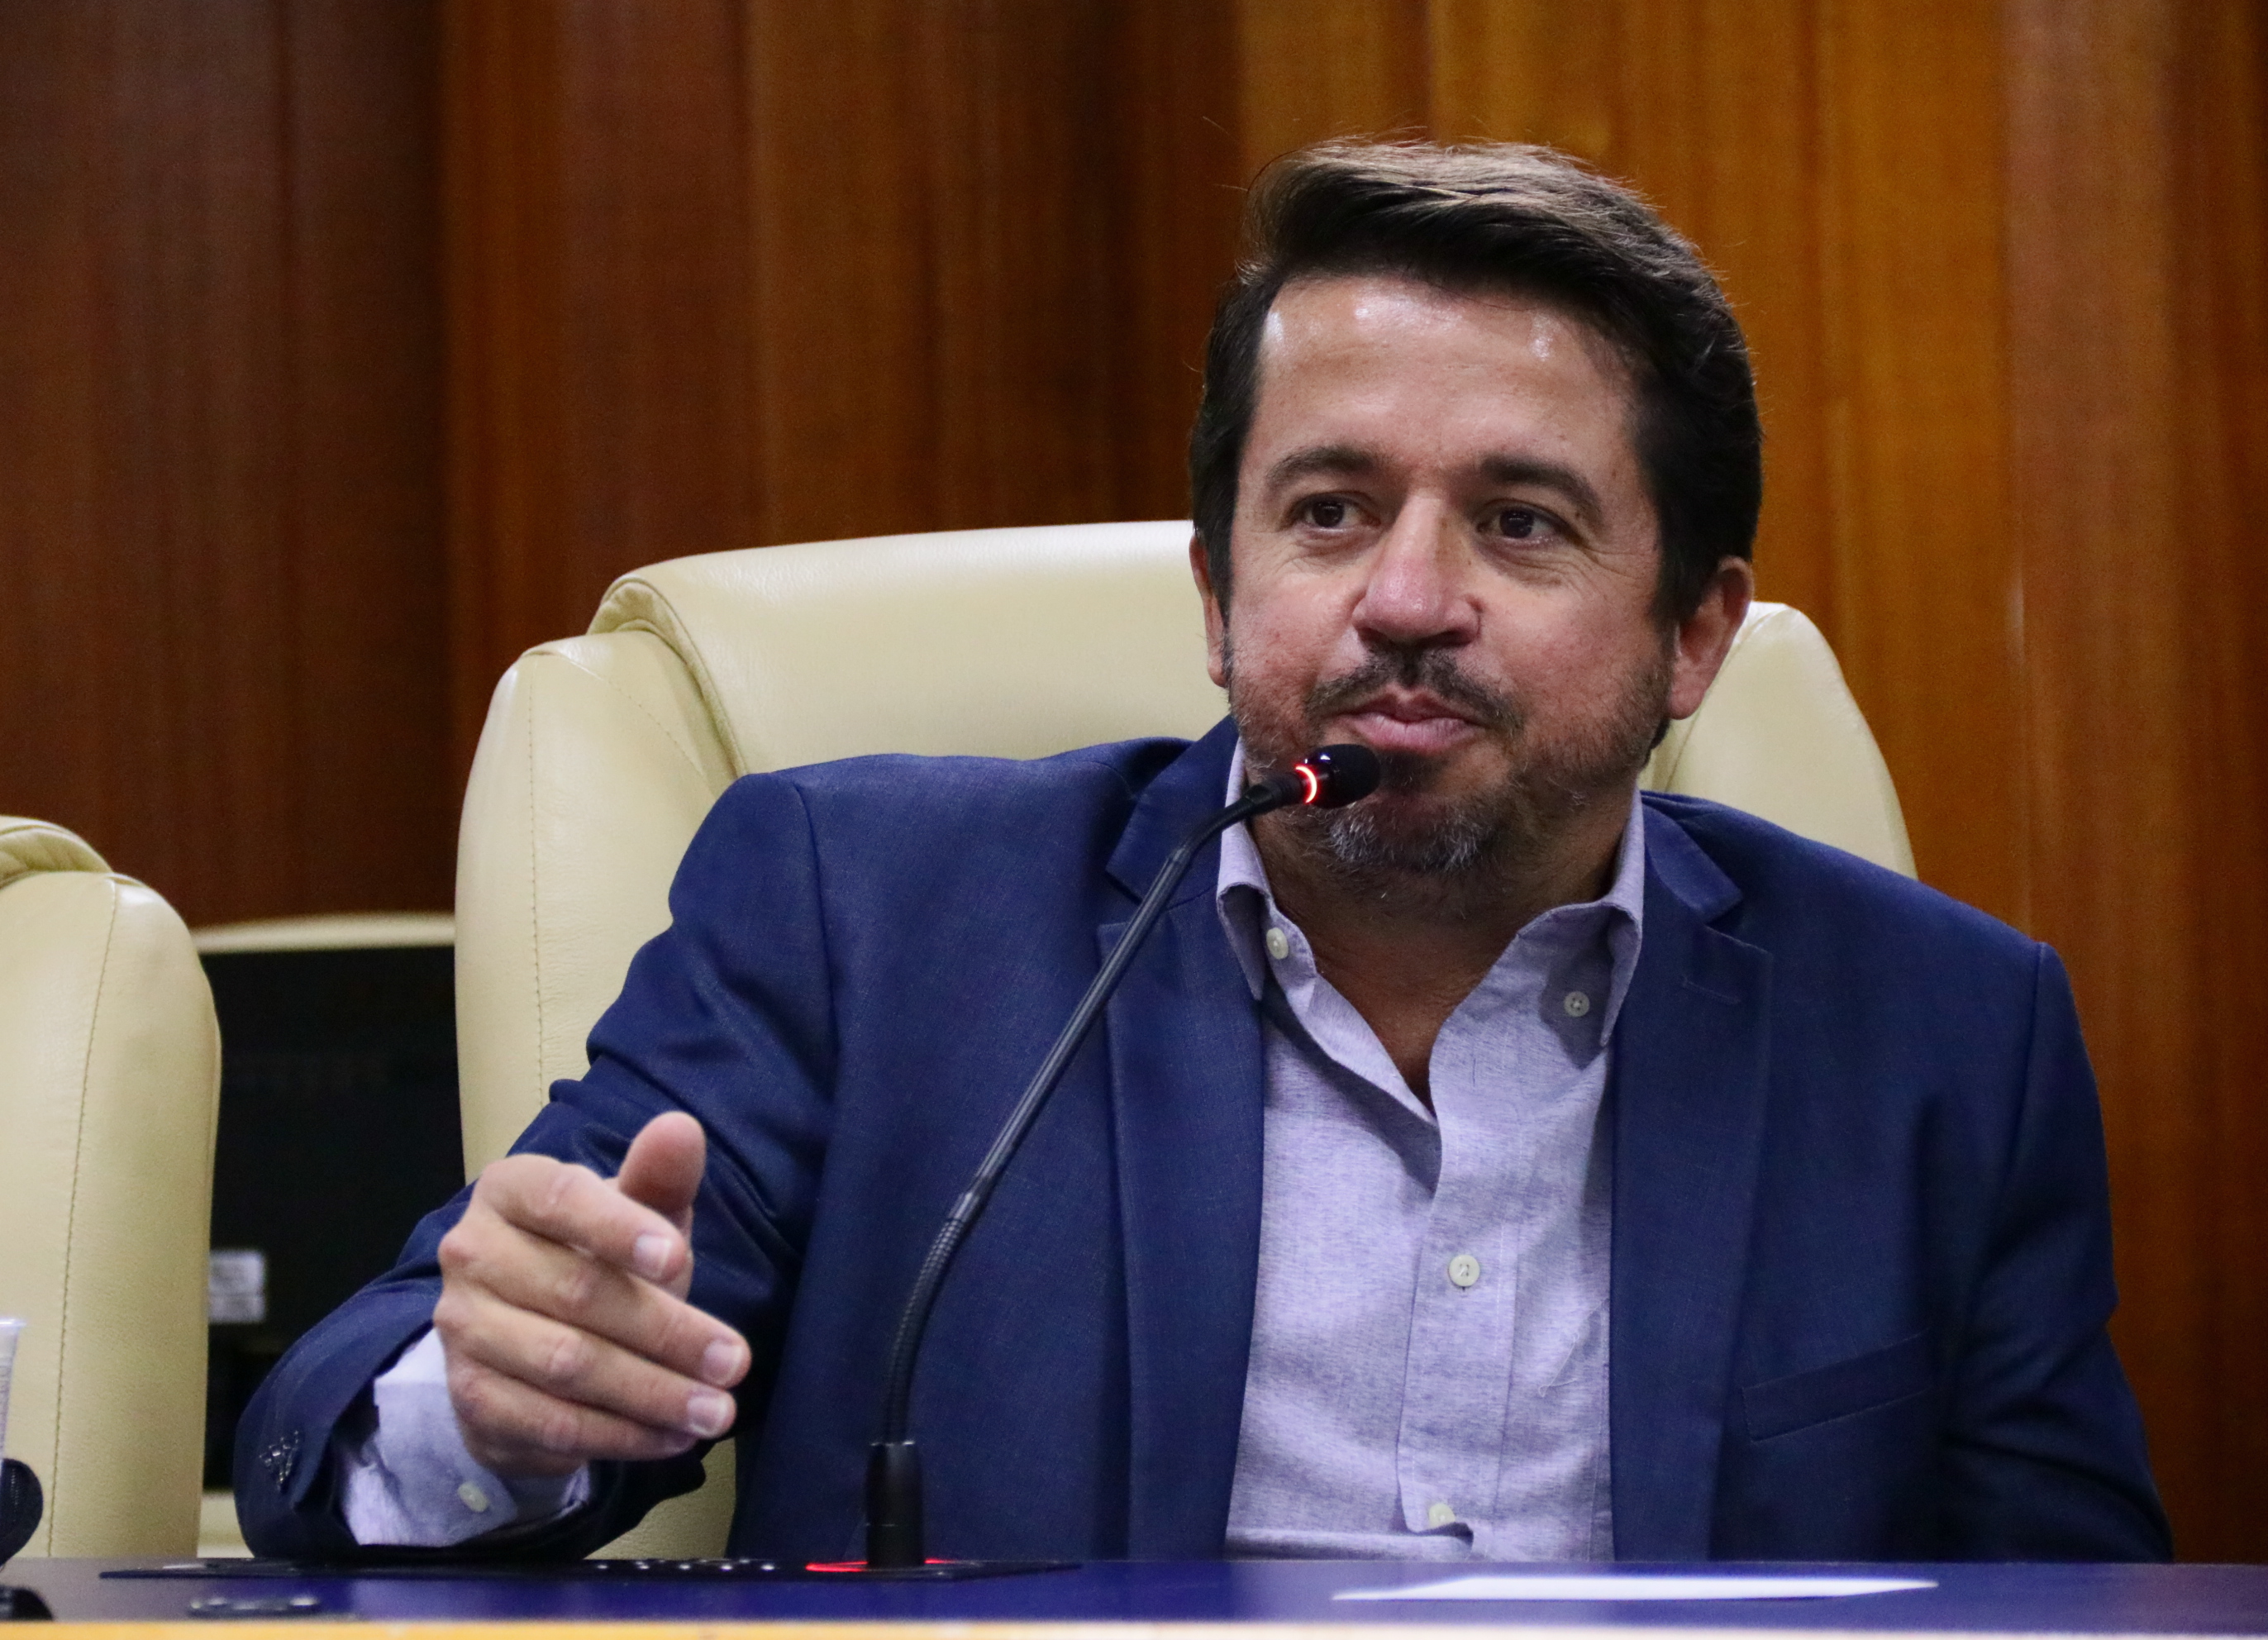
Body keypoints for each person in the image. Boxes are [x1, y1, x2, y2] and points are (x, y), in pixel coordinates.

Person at [236, 140, 2170, 1563]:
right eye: (1328, 511)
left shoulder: (1943, 1035)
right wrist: (497, 1400)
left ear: (1694, 635)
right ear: (1220, 594)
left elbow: (2074, 1608)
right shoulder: (863, 914)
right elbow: (360, 1413)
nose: (1404, 597)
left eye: (1520, 522)